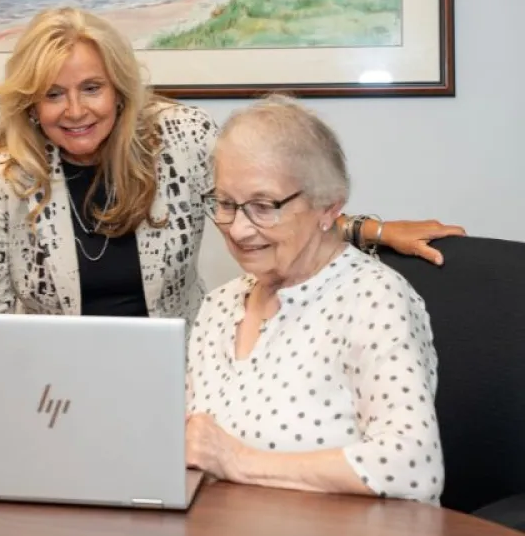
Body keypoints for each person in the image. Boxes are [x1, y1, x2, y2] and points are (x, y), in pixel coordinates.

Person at [0, 6, 465, 325]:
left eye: (92, 88)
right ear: (31, 106)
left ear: (120, 89)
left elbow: (259, 208)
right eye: (53, 95)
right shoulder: (3, 177)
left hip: (181, 380)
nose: (76, 110)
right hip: (52, 393)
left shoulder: (180, 138)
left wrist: (371, 229)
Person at [183, 94, 443, 504]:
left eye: (263, 206)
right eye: (226, 204)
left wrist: (238, 460)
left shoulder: (372, 298)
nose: (237, 230)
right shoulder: (218, 306)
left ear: (328, 207)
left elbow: (414, 466)